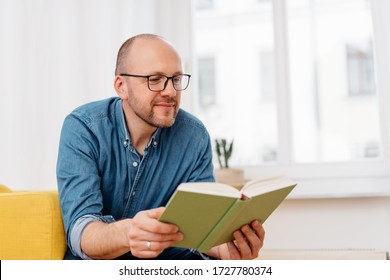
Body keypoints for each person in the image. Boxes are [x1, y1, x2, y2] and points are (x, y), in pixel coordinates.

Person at [57, 33, 265, 260]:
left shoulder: (194, 136)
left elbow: (200, 228)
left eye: (176, 79)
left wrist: (223, 248)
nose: (170, 91)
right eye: (154, 79)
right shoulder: (84, 128)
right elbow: (82, 233)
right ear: (121, 86)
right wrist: (128, 232)